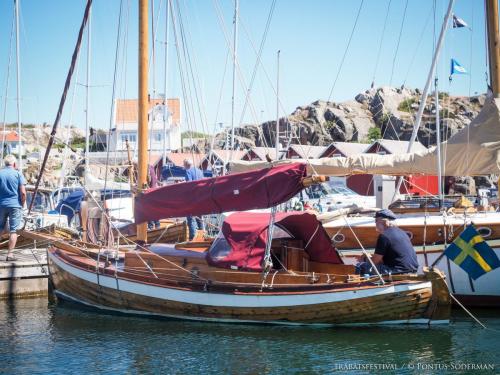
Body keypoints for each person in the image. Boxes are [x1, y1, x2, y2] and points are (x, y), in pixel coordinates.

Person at [356, 209, 418, 275]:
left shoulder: (384, 236)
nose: (375, 223)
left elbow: (375, 261)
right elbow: (386, 258)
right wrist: (370, 257)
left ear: (384, 222)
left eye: (376, 221)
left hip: (396, 271)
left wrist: (365, 258)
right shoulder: (403, 233)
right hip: (412, 270)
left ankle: (363, 285)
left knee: (360, 266)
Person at [0, 155, 26, 261]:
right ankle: (10, 255)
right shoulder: (18, 174)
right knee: (13, 230)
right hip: (15, 205)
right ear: (14, 164)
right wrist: (23, 204)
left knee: (0, 227)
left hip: (1, 205)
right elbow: (23, 193)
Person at [183, 159, 204, 240]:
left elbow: (190, 185)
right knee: (199, 219)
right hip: (201, 198)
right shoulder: (200, 171)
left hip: (192, 199)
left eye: (183, 165)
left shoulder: (188, 171)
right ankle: (201, 237)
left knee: (191, 219)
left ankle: (192, 239)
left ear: (186, 165)